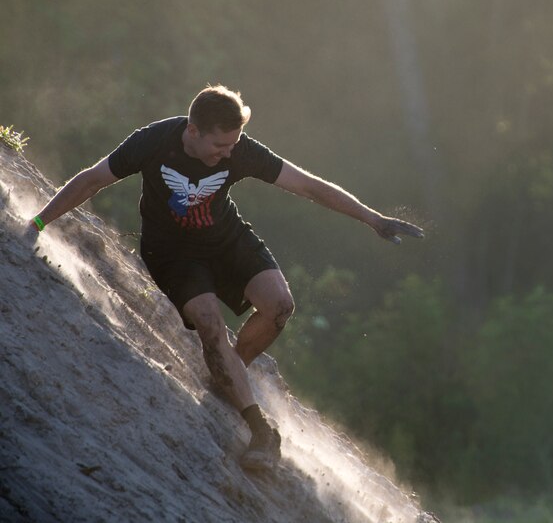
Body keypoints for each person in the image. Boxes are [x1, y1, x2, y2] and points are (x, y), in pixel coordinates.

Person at [28, 85, 424, 471]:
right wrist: (40, 221)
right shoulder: (152, 142)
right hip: (173, 253)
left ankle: (227, 375)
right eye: (220, 145)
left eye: (234, 143)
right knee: (208, 322)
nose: (229, 152)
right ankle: (260, 429)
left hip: (226, 238)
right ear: (193, 131)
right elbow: (92, 179)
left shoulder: (238, 150)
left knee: (280, 306)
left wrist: (373, 219)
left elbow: (308, 186)